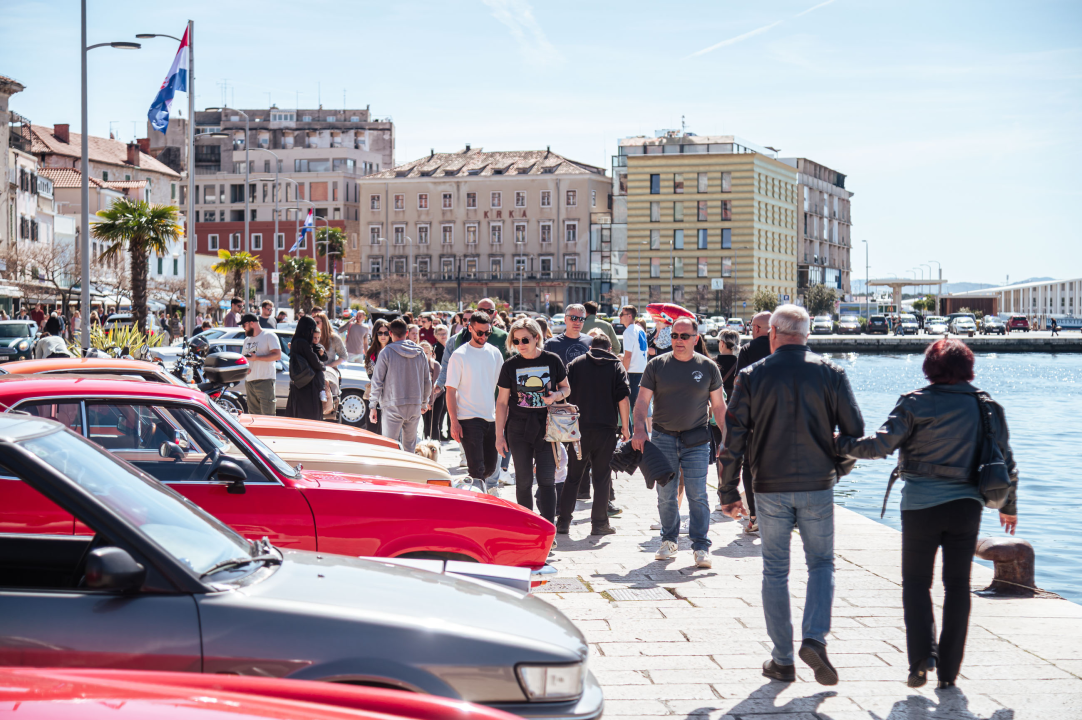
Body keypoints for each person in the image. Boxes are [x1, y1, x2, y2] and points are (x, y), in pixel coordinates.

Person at [836, 338, 1018, 690]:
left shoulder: (914, 402)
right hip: (967, 508)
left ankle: (921, 659)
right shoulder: (988, 406)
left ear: (930, 368)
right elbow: (1006, 461)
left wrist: (837, 442)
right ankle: (949, 672)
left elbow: (878, 447)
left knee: (917, 583)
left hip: (920, 507)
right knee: (958, 586)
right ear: (967, 367)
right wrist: (1008, 507)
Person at [718, 305, 864, 687]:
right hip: (817, 483)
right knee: (821, 564)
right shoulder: (831, 373)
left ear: (773, 334)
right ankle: (814, 637)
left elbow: (733, 439)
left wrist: (729, 490)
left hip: (769, 485)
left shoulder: (751, 375)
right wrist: (838, 469)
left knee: (775, 570)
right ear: (807, 335)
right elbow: (854, 433)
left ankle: (782, 660)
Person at [633, 316, 726, 569]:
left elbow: (719, 406)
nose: (679, 340)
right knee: (666, 494)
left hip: (697, 439)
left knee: (698, 494)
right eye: (674, 335)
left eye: (685, 336)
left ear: (696, 339)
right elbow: (641, 402)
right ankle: (669, 540)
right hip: (663, 438)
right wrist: (639, 429)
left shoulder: (708, 367)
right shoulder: (657, 365)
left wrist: (727, 438)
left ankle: (701, 546)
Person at [495, 317, 570, 521]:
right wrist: (499, 436)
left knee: (547, 479)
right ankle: (526, 526)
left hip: (547, 427)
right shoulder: (510, 365)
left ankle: (548, 526)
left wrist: (555, 395)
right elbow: (501, 402)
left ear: (536, 338)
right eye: (516, 340)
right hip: (518, 428)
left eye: (525, 340)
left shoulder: (552, 360)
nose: (520, 345)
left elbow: (566, 388)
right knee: (523, 480)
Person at [560, 333, 631, 536]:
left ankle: (563, 522)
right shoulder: (616, 366)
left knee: (573, 476)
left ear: (590, 348)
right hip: (605, 430)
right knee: (602, 477)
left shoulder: (576, 363)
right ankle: (599, 524)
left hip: (578, 430)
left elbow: (563, 392)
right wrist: (625, 427)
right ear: (609, 349)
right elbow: (623, 399)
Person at [447, 311, 504, 490]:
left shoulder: (495, 353)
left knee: (490, 468)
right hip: (468, 418)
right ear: (470, 328)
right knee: (477, 469)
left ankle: (467, 489)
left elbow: (503, 387)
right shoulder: (459, 355)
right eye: (480, 332)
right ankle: (479, 500)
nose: (484, 336)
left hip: (491, 417)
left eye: (487, 333)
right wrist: (454, 421)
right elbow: (450, 391)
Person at [731, 311, 772, 530]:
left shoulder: (747, 350)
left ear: (756, 328)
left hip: (754, 416)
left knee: (749, 464)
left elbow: (739, 384)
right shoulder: (781, 348)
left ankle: (754, 516)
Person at [369, 318, 432, 453]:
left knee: (389, 447)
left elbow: (377, 381)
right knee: (409, 448)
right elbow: (427, 381)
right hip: (414, 404)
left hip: (392, 405)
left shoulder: (386, 352)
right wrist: (424, 402)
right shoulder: (420, 352)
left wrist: (373, 405)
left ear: (390, 334)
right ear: (407, 333)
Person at [285, 316, 325, 421]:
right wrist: (322, 366)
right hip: (308, 386)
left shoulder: (295, 341)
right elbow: (315, 362)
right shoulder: (302, 343)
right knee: (309, 418)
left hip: (299, 384)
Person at [240, 313, 281, 416]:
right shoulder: (247, 340)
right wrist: (245, 368)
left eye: (244, 325)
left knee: (268, 416)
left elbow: (277, 355)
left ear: (251, 323)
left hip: (265, 380)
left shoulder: (268, 335)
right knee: (253, 417)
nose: (243, 328)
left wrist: (257, 358)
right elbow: (244, 358)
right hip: (249, 381)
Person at [314, 312, 347, 418]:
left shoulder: (334, 338)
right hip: (315, 369)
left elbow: (344, 356)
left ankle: (328, 408)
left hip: (329, 369)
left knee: (325, 382)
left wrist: (331, 365)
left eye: (317, 322)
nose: (315, 324)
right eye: (313, 322)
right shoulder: (312, 337)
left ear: (324, 323)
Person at [619, 305, 648, 418]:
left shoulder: (629, 331)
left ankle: (632, 430)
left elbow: (628, 356)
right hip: (641, 371)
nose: (620, 316)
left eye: (622, 314)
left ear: (629, 316)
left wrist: (623, 373)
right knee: (639, 409)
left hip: (632, 373)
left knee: (632, 410)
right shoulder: (640, 329)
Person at [364, 319, 392, 433]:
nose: (383, 336)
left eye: (386, 333)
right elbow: (370, 373)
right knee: (371, 430)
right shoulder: (371, 353)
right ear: (375, 334)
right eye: (380, 333)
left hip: (390, 396)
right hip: (374, 394)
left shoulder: (394, 351)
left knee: (387, 432)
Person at [715, 328, 741, 400]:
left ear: (722, 343)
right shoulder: (740, 363)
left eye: (718, 341)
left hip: (717, 402)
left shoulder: (711, 362)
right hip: (734, 402)